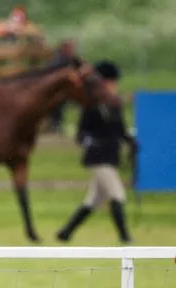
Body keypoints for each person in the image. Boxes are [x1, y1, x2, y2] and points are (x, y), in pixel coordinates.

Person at [56, 61, 138, 244]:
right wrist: (90, 142)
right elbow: (81, 133)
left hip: (111, 156)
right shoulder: (92, 106)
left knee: (93, 200)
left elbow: (120, 130)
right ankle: (125, 238)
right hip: (97, 158)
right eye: (110, 82)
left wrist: (130, 141)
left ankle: (65, 233)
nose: (113, 86)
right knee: (117, 194)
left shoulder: (115, 104)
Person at [49, 39, 77, 134]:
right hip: (57, 89)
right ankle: (55, 124)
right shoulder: (58, 60)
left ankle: (57, 124)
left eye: (72, 48)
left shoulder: (70, 60)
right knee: (58, 103)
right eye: (70, 48)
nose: (72, 50)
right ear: (64, 49)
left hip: (66, 88)